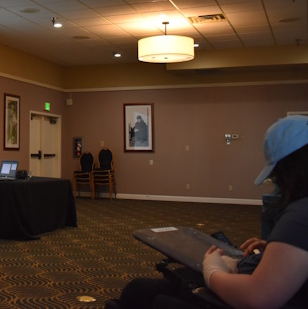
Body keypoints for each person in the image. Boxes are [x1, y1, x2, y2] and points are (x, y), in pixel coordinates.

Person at [107, 115, 308, 309]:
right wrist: (274, 249)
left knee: (151, 297)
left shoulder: (298, 216)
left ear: (290, 169)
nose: (278, 183)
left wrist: (212, 269)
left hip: (239, 290)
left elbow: (258, 298)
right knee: (140, 289)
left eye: (277, 176)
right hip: (252, 274)